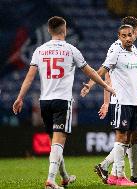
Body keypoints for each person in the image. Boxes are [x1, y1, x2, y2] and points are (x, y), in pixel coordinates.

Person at [12, 16, 115, 189]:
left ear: (49, 31)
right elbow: (90, 72)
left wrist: (19, 97)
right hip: (62, 101)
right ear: (64, 30)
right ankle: (51, 179)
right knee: (58, 142)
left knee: (54, 142)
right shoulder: (71, 50)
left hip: (44, 102)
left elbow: (29, 79)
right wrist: (106, 86)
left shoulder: (39, 50)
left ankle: (65, 177)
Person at [82, 24, 137, 186]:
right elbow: (102, 70)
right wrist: (90, 85)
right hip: (120, 101)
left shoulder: (135, 51)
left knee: (131, 138)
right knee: (121, 137)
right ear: (119, 36)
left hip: (132, 102)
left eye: (130, 35)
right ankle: (118, 176)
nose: (128, 38)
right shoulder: (116, 50)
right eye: (124, 35)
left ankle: (111, 173)